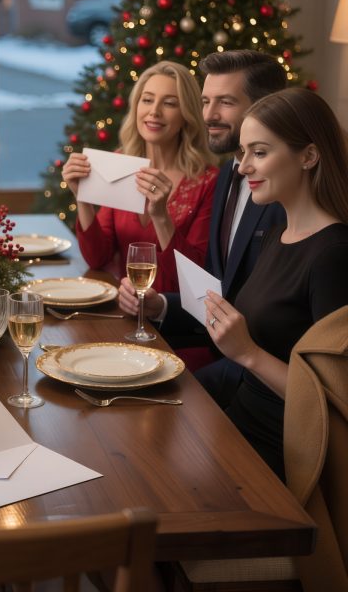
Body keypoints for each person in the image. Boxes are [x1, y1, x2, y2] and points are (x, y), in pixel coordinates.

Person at [200, 88, 348, 479]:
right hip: (237, 424)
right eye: (243, 152)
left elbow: (333, 402)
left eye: (259, 153)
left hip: (283, 453)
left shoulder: (333, 255)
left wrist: (247, 353)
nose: (243, 167)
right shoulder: (277, 236)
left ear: (309, 156)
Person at [118, 50, 287, 372]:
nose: (209, 115)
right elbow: (216, 288)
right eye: (206, 101)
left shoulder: (281, 192)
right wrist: (162, 305)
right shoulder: (228, 174)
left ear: (264, 107)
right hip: (214, 345)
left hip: (256, 368)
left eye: (225, 102)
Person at [61, 60, 217, 293]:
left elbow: (194, 278)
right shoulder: (121, 164)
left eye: (170, 103)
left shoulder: (207, 181)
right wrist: (82, 197)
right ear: (136, 107)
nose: (154, 111)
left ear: (186, 114)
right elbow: (97, 258)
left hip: (175, 321)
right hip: (125, 309)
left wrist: (161, 217)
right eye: (147, 100)